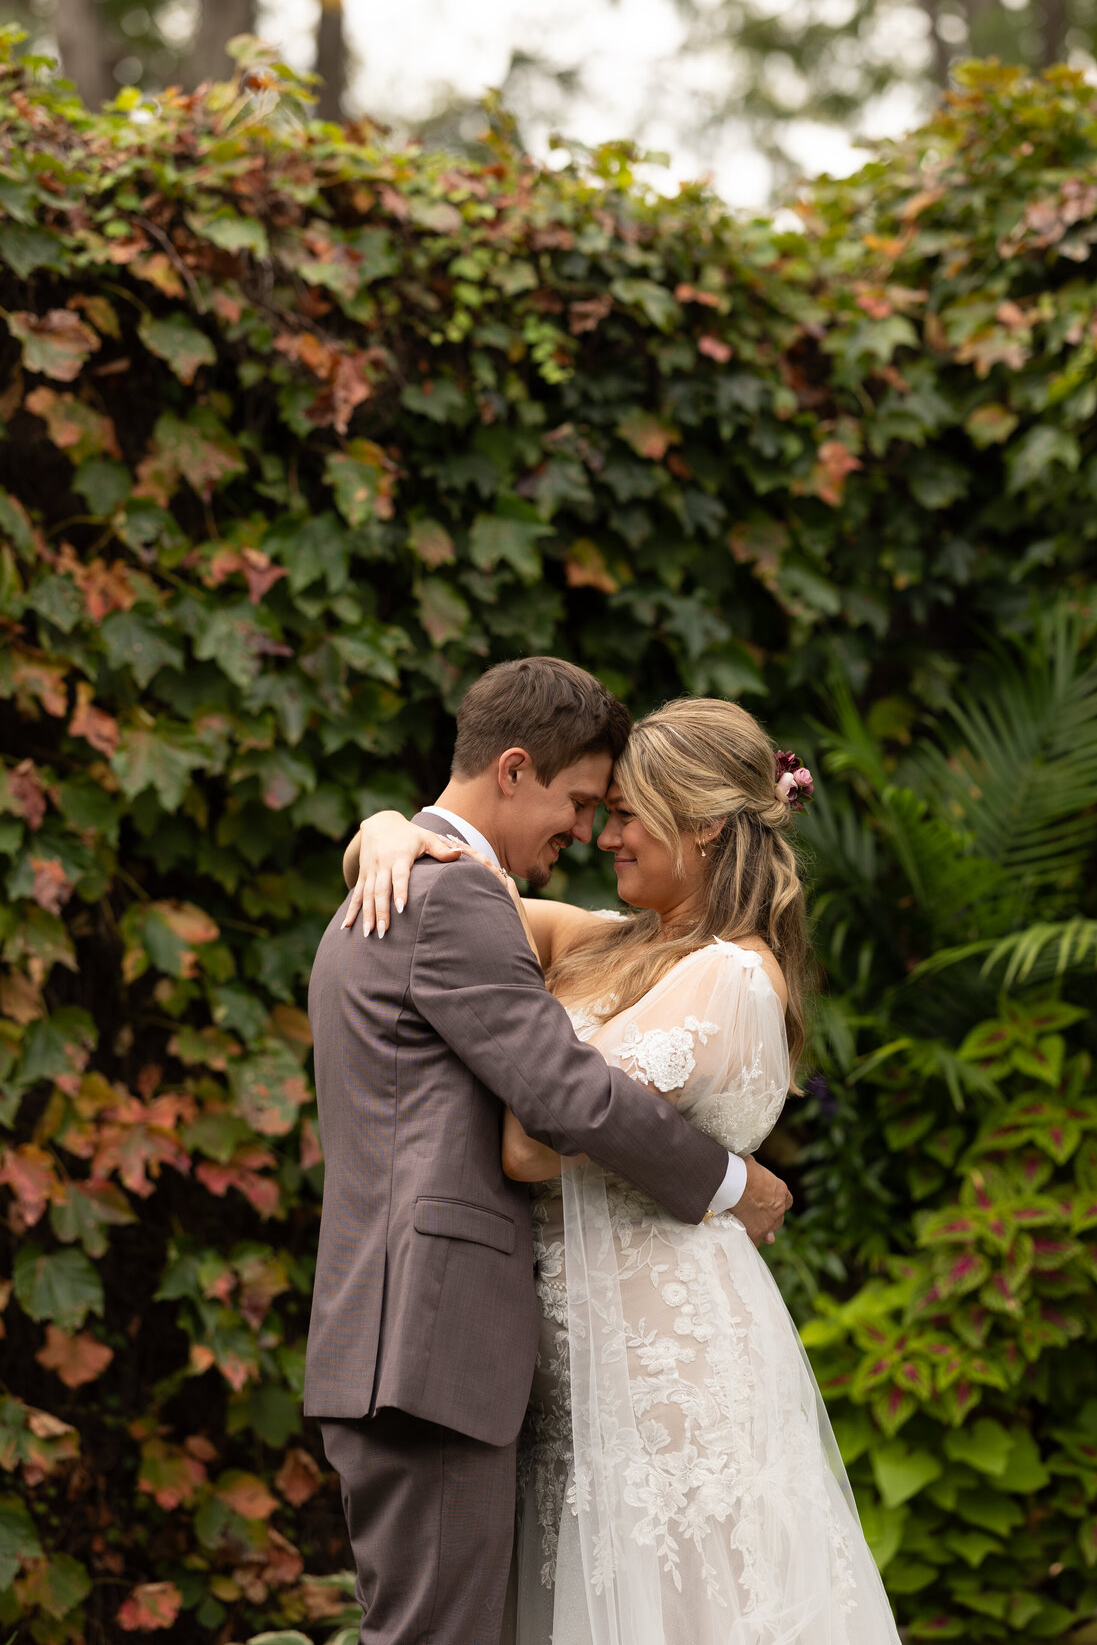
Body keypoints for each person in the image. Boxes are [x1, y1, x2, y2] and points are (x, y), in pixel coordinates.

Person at [349, 695, 903, 1645]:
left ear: (706, 827)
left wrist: (715, 1172)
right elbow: (462, 899)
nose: (606, 834)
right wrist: (387, 831)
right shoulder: (619, 943)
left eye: (630, 811)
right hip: (569, 1362)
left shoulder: (728, 977)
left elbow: (531, 1144)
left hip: (665, 1369)